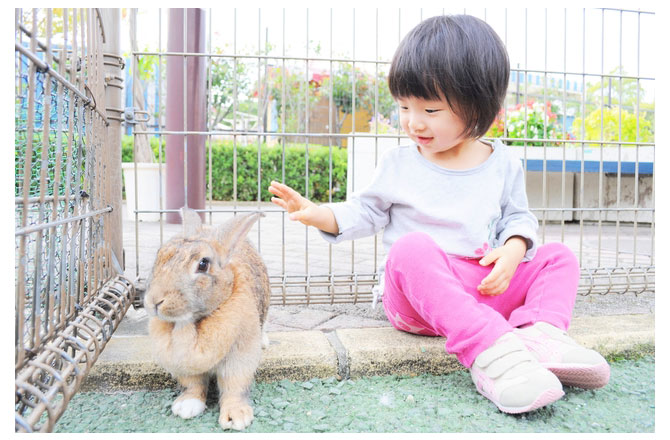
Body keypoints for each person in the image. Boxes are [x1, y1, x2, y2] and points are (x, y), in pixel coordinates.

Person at [268, 14, 610, 414]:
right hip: (418, 299)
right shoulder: (399, 163)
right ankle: (493, 357)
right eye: (404, 106)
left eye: (430, 109)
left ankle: (541, 336)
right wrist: (318, 213)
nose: (414, 122)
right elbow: (366, 210)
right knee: (411, 249)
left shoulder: (502, 162)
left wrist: (515, 248)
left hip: (483, 290)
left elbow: (518, 217)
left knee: (558, 258)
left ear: (481, 106)